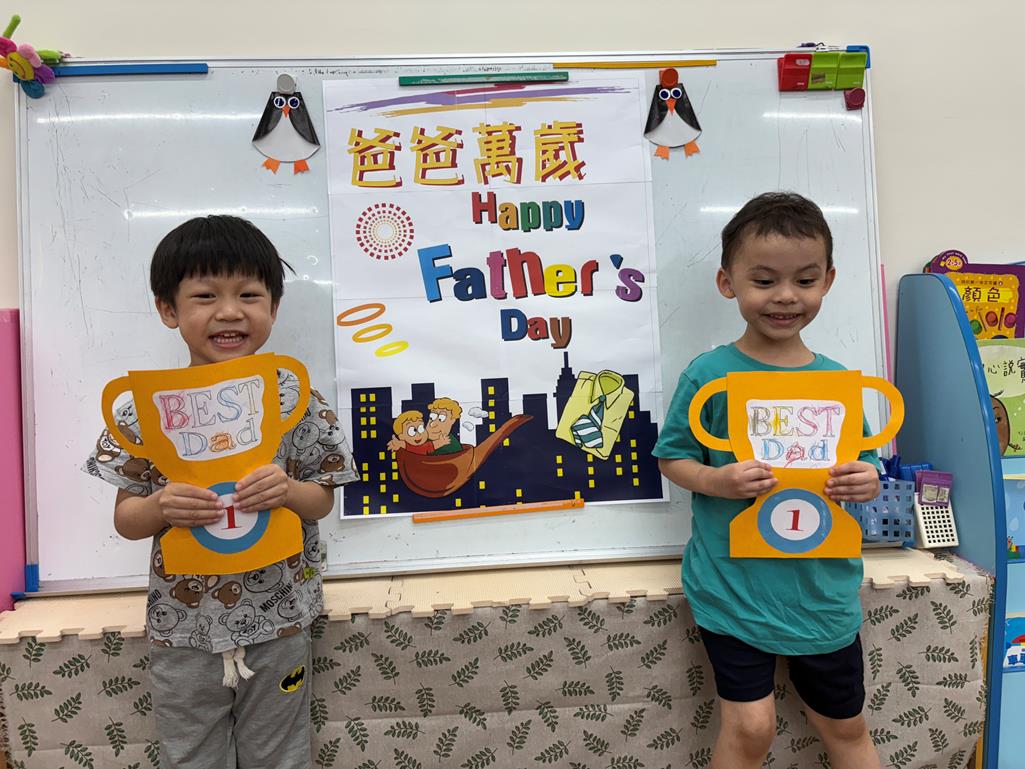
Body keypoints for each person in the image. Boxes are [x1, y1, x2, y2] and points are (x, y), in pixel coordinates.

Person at [82, 215, 358, 769]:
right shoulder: (142, 409)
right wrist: (159, 506)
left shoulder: (294, 397)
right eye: (205, 296)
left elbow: (322, 499)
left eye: (249, 295)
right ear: (168, 310)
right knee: (190, 755)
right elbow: (127, 519)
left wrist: (287, 490)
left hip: (280, 616)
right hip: (183, 626)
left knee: (279, 754)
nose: (230, 312)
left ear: (274, 307)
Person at [653, 192, 883, 769]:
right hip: (733, 590)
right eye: (764, 280)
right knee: (751, 728)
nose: (785, 296)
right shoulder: (708, 375)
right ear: (727, 283)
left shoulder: (837, 382)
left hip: (822, 593)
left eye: (805, 280)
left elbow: (865, 465)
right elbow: (672, 457)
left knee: (847, 726)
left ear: (828, 281)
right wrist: (718, 481)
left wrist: (868, 479)